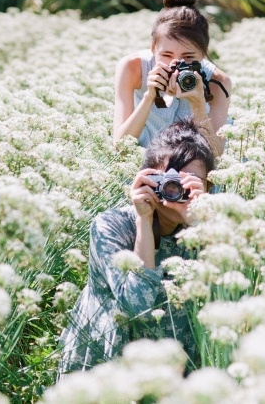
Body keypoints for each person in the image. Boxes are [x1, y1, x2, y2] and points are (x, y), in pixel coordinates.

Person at [57, 119, 214, 377]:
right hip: (107, 368)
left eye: (191, 183)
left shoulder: (213, 234)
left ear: (208, 188)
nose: (178, 191)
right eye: (170, 181)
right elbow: (137, 306)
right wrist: (143, 218)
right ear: (148, 180)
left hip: (173, 370)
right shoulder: (111, 226)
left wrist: (200, 222)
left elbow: (230, 300)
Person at [112, 0, 232, 156]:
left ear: (204, 54)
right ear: (153, 48)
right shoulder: (132, 67)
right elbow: (120, 147)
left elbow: (216, 156)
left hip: (193, 169)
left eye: (188, 57)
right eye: (167, 55)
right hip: (141, 165)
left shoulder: (218, 82)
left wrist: (198, 104)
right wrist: (149, 97)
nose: (176, 65)